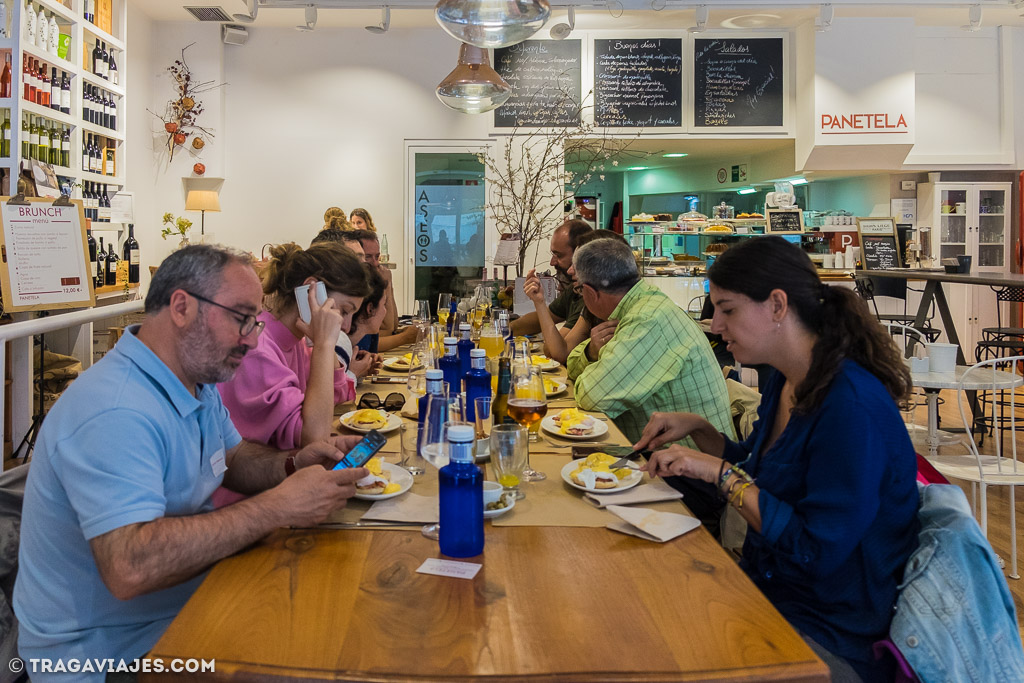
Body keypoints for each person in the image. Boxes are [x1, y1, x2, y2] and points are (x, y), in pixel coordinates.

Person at [14, 245, 368, 679]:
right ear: (181, 307)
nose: (254, 338)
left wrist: (292, 464)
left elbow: (234, 458)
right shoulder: (116, 409)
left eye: (255, 321)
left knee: (332, 621)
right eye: (241, 318)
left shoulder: (193, 382)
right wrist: (279, 506)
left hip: (186, 603)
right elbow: (130, 566)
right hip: (105, 652)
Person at [633, 236, 919, 682]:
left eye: (727, 309)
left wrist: (719, 472)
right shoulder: (785, 381)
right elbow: (762, 472)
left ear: (778, 305)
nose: (716, 325)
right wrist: (700, 430)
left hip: (828, 634)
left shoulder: (850, 406)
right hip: (767, 592)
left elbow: (816, 549)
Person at [566, 238, 734, 530]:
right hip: (672, 462)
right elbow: (574, 368)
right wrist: (592, 352)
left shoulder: (647, 319)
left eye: (579, 289)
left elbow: (592, 396)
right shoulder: (642, 304)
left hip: (694, 479)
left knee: (573, 508)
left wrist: (589, 363)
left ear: (590, 293)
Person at [219, 242, 373, 451]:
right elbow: (314, 438)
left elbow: (338, 396)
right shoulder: (258, 349)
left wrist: (322, 346)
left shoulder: (299, 341)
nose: (346, 325)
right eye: (344, 311)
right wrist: (325, 346)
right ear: (312, 290)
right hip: (255, 479)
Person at [522, 230, 626, 364]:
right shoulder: (591, 305)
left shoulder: (628, 311)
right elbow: (559, 352)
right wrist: (539, 302)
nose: (570, 270)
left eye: (576, 264)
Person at [510, 219, 592, 336]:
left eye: (558, 255)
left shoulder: (588, 296)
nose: (552, 262)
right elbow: (540, 320)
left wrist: (539, 303)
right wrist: (502, 331)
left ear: (580, 254)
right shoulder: (573, 291)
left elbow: (560, 349)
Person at [351, 228, 418, 353]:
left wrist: (388, 285)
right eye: (368, 257)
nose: (376, 263)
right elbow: (364, 344)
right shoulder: (353, 290)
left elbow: (392, 325)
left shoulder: (376, 279)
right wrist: (404, 338)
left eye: (377, 256)